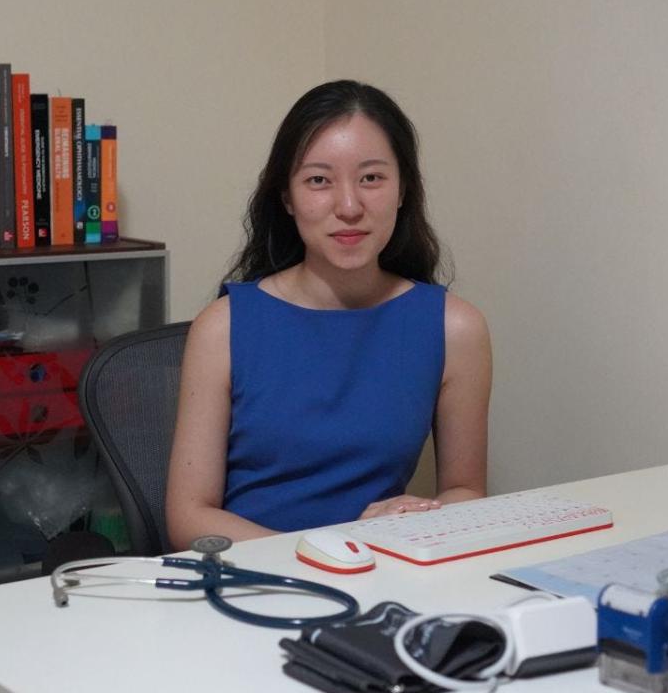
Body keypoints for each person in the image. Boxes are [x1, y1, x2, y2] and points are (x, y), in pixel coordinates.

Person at [165, 80, 491, 549]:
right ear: (287, 198)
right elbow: (188, 517)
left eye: (372, 178)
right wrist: (325, 555)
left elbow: (467, 492)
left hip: (380, 577)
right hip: (254, 578)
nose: (349, 206)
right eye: (319, 180)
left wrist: (418, 516)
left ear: (403, 190)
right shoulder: (223, 326)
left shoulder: (455, 328)